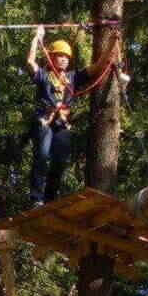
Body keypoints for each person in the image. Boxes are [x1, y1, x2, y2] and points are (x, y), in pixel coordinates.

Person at [24, 24, 115, 205]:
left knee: (60, 162)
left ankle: (49, 199)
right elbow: (30, 63)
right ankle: (36, 199)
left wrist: (112, 44)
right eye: (60, 55)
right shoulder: (43, 75)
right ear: (50, 56)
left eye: (66, 56)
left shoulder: (73, 77)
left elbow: (98, 67)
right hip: (44, 120)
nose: (64, 59)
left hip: (62, 124)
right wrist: (37, 38)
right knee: (41, 157)